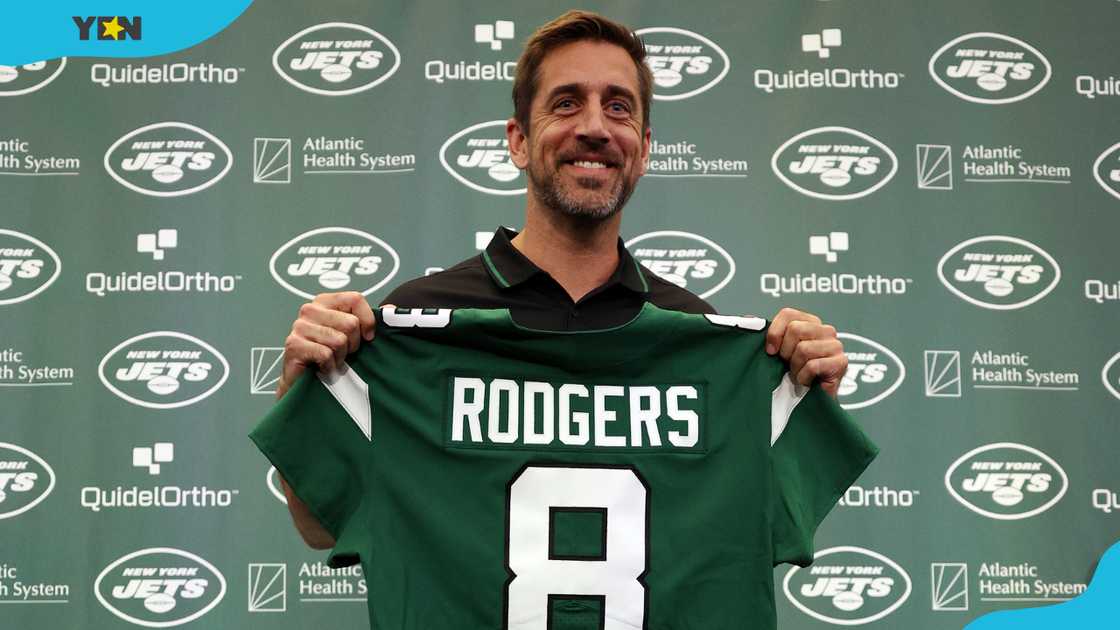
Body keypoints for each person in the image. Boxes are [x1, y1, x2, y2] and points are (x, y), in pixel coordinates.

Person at [274, 10, 849, 551]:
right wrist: (303, 385)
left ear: (645, 149)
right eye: (567, 103)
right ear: (518, 140)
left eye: (619, 107)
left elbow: (764, 524)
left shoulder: (696, 335)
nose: (595, 127)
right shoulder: (422, 322)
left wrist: (802, 399)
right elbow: (321, 526)